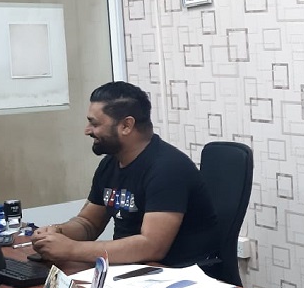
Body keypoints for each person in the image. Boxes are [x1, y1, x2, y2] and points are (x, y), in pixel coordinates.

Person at [32, 81, 219, 270]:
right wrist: (57, 233)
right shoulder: (110, 163)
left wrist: (71, 249)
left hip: (177, 273)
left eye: (94, 123)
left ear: (126, 126)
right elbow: (88, 223)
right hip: (131, 268)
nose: (87, 130)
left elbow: (152, 246)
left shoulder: (168, 169)